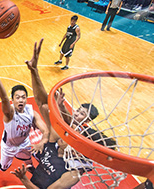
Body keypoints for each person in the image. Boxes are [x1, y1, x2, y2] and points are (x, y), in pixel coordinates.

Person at [11, 38, 116, 188]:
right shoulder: (58, 137)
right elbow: (42, 103)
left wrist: (24, 180)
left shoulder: (72, 174)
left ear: (78, 151)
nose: (63, 137)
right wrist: (34, 71)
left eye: (69, 139)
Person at [0, 54, 50, 180]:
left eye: (23, 97)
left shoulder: (31, 112)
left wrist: (42, 142)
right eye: (17, 97)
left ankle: (31, 168)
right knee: (4, 167)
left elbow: (46, 130)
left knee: (28, 161)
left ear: (26, 99)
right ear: (13, 99)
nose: (21, 100)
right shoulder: (9, 113)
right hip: (8, 146)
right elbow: (4, 98)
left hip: (24, 143)